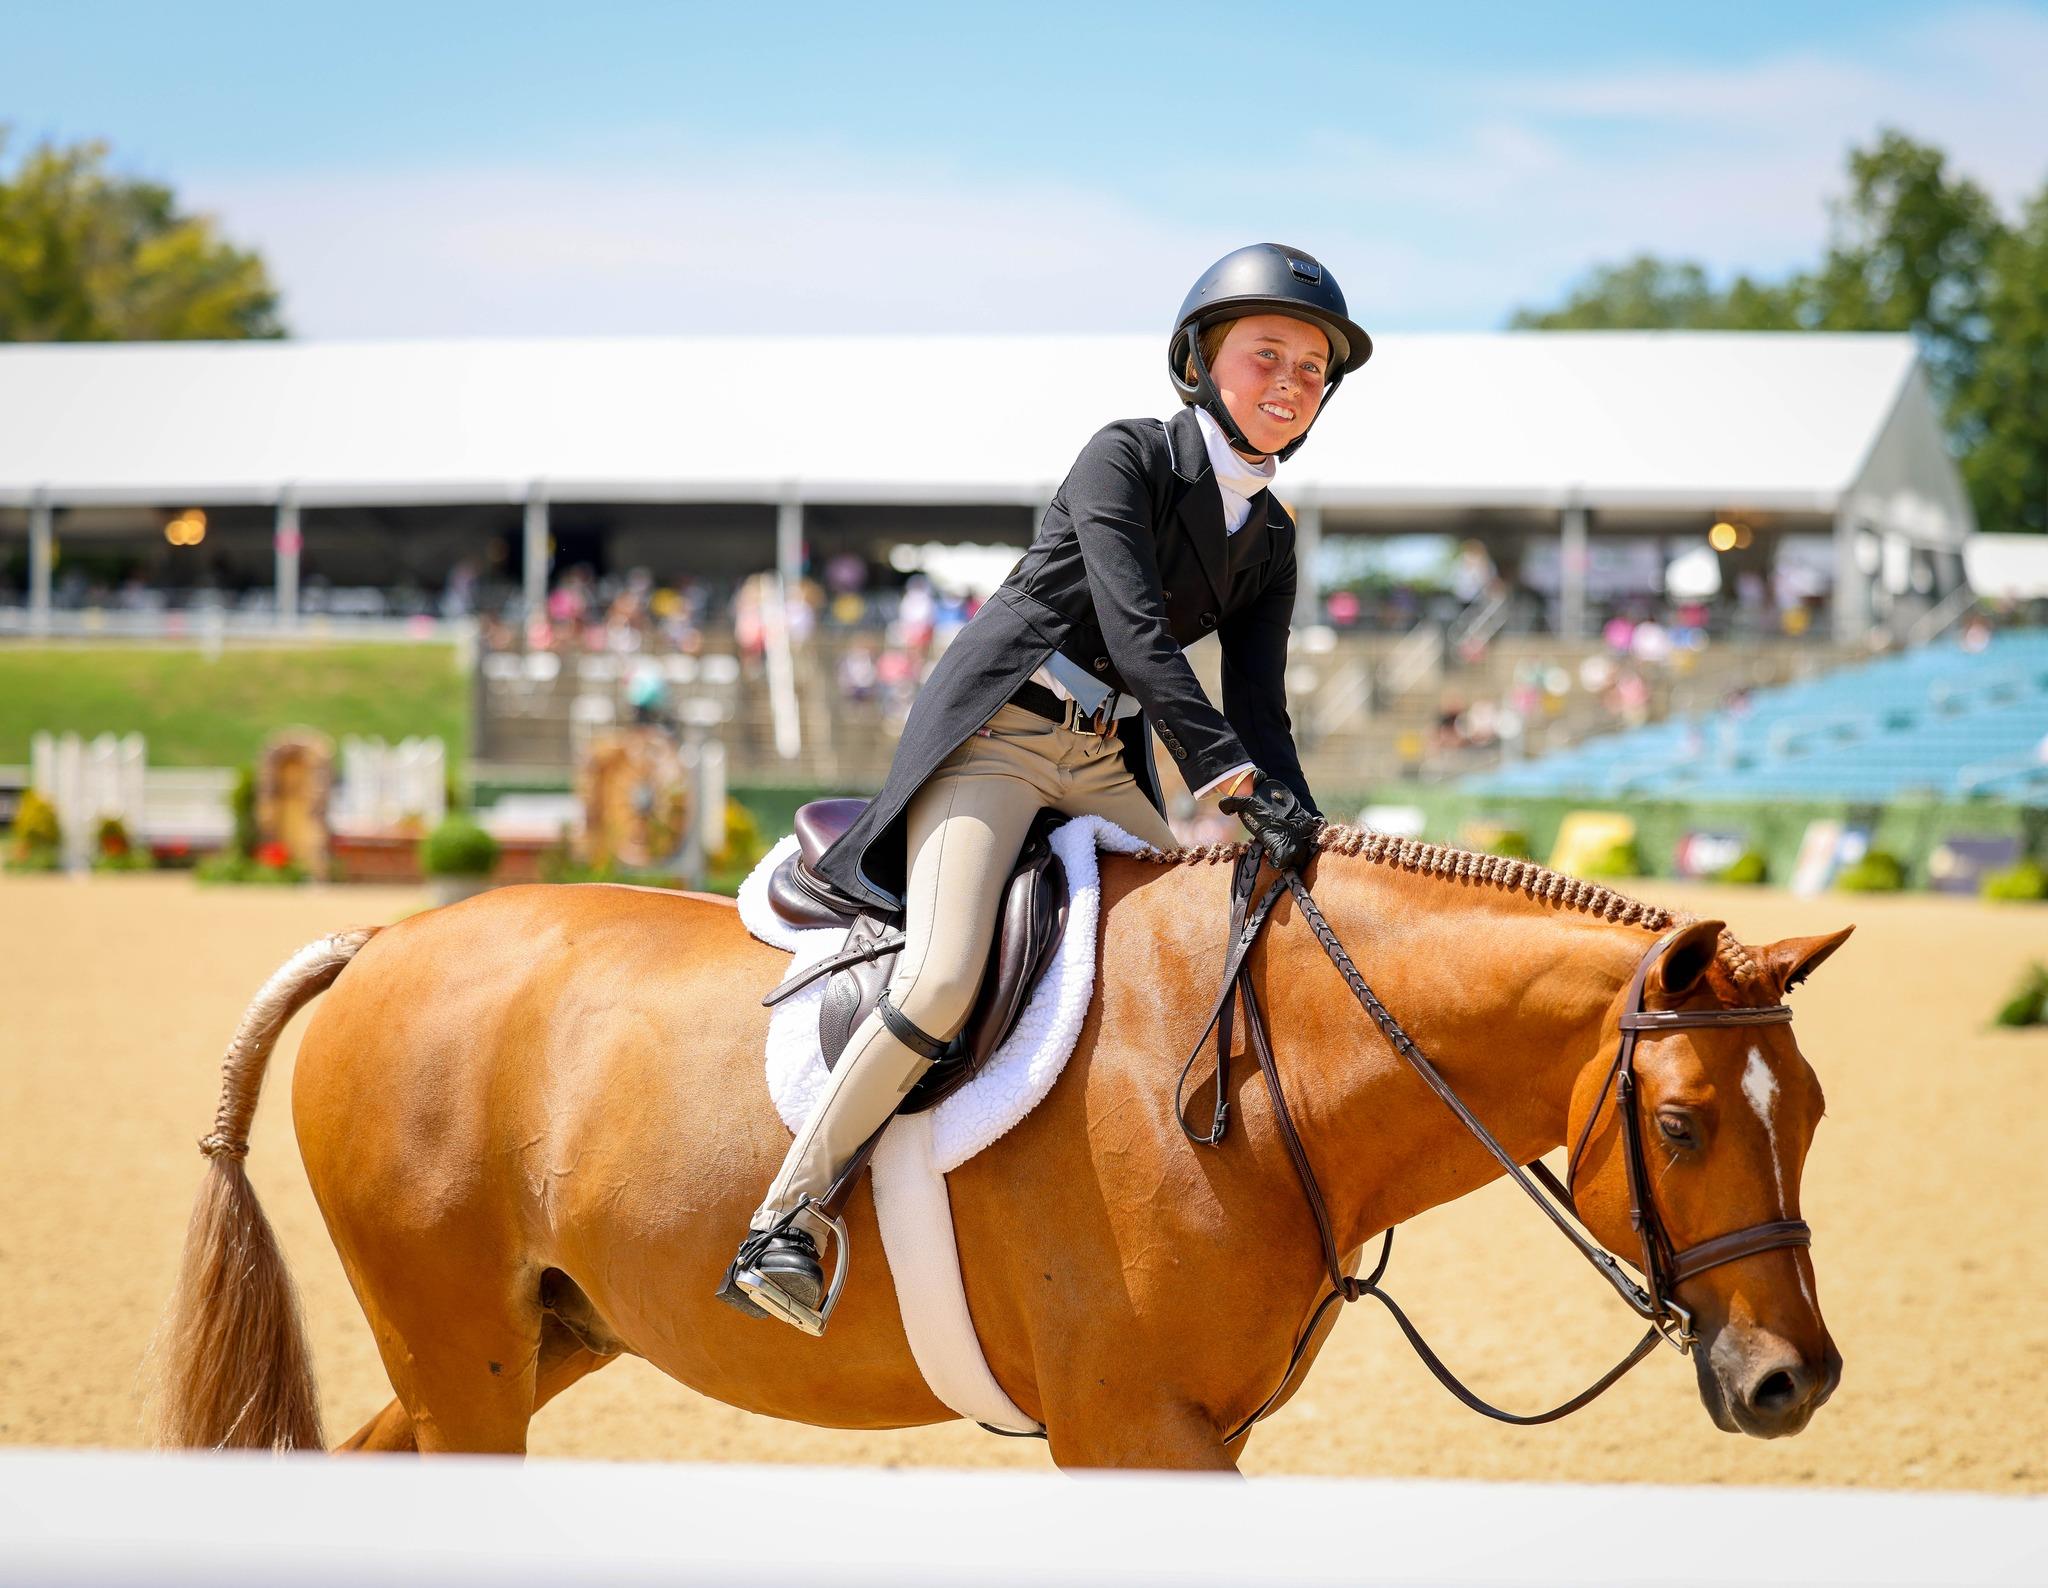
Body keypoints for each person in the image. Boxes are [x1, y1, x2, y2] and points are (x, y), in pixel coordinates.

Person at [719, 243, 1373, 1331]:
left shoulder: (1268, 536)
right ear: (1200, 362)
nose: (1292, 382)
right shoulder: (1121, 455)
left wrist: (1299, 824)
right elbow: (1135, 626)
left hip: (1102, 759)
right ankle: (785, 1220)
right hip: (999, 737)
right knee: (936, 980)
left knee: (1195, 937)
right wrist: (1221, 776)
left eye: (1311, 369)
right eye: (1268, 356)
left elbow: (1260, 705)